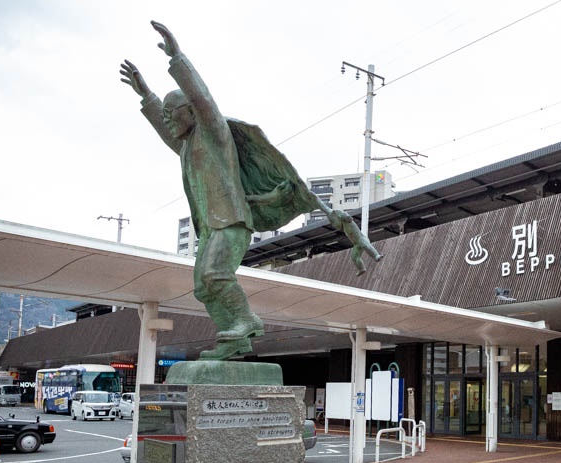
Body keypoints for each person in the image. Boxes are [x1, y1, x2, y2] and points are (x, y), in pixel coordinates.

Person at [121, 21, 381, 360]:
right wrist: (147, 97)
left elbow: (203, 98)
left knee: (216, 273)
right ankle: (236, 341)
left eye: (173, 114)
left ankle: (246, 320)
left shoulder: (213, 134)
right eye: (167, 115)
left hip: (232, 220)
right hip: (212, 225)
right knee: (202, 286)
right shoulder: (186, 145)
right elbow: (165, 128)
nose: (169, 120)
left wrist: (177, 59)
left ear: (191, 113)